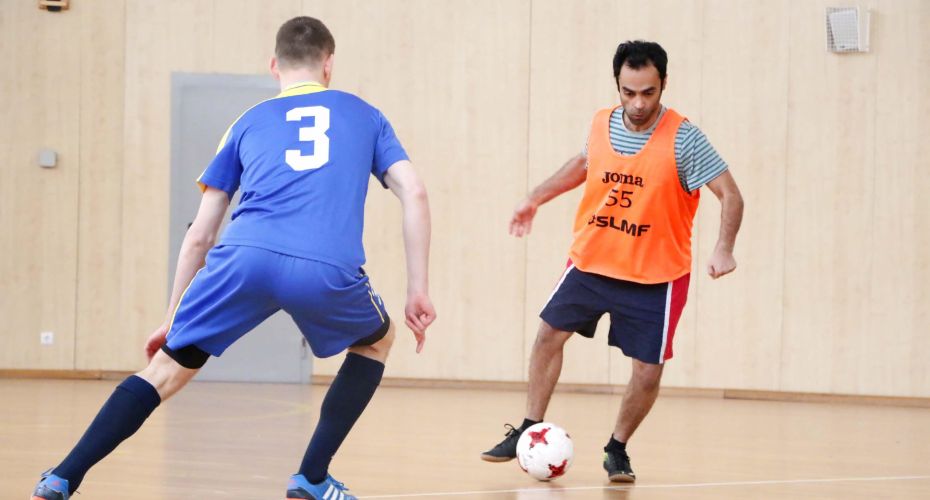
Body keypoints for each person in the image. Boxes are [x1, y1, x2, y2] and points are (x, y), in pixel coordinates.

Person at [31, 16, 435, 500]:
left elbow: (200, 235)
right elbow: (414, 192)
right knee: (376, 341)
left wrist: (172, 315)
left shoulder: (246, 122)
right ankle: (311, 477)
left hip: (242, 256)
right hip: (323, 266)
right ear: (329, 64)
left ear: (274, 65)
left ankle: (61, 478)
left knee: (165, 370)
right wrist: (417, 289)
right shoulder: (365, 115)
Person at [480, 40, 743, 482]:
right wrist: (535, 198)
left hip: (656, 276)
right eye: (628, 92)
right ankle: (528, 428)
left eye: (648, 92)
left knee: (647, 372)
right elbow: (584, 164)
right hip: (591, 262)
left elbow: (731, 195)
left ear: (664, 84)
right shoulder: (602, 123)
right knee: (547, 336)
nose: (637, 103)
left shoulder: (685, 138)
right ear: (617, 85)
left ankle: (617, 449)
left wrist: (724, 247)